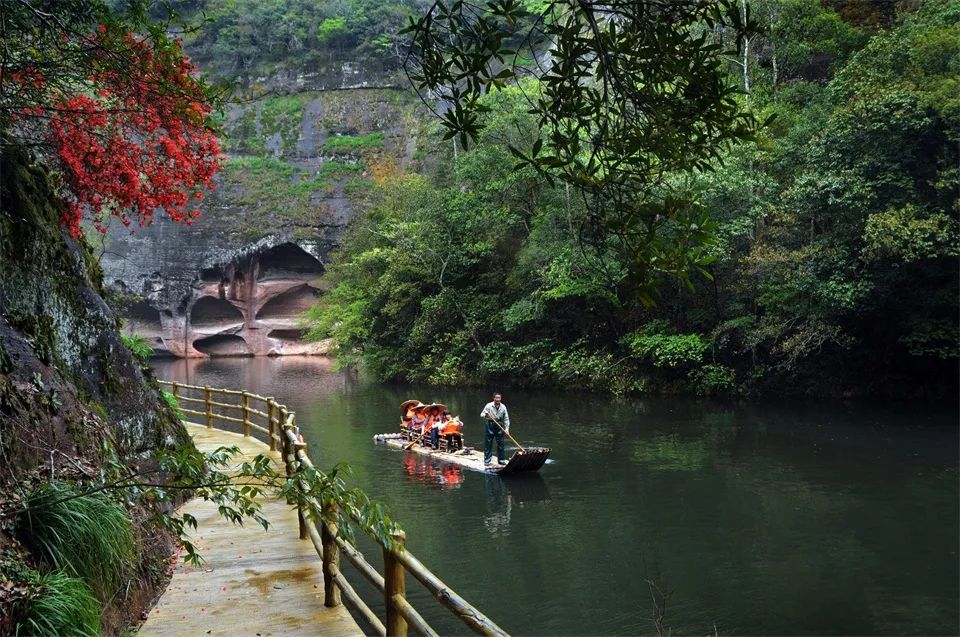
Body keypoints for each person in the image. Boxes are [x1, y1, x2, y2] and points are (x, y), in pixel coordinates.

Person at [480, 392, 510, 465]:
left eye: (499, 398)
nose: (497, 399)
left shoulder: (503, 407)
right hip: (490, 424)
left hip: (499, 425)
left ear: (501, 398)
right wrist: (486, 415)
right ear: (493, 398)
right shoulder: (489, 405)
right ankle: (487, 461)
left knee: (501, 443)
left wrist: (506, 429)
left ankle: (501, 460)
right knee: (488, 443)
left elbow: (506, 419)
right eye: (496, 398)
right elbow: (482, 414)